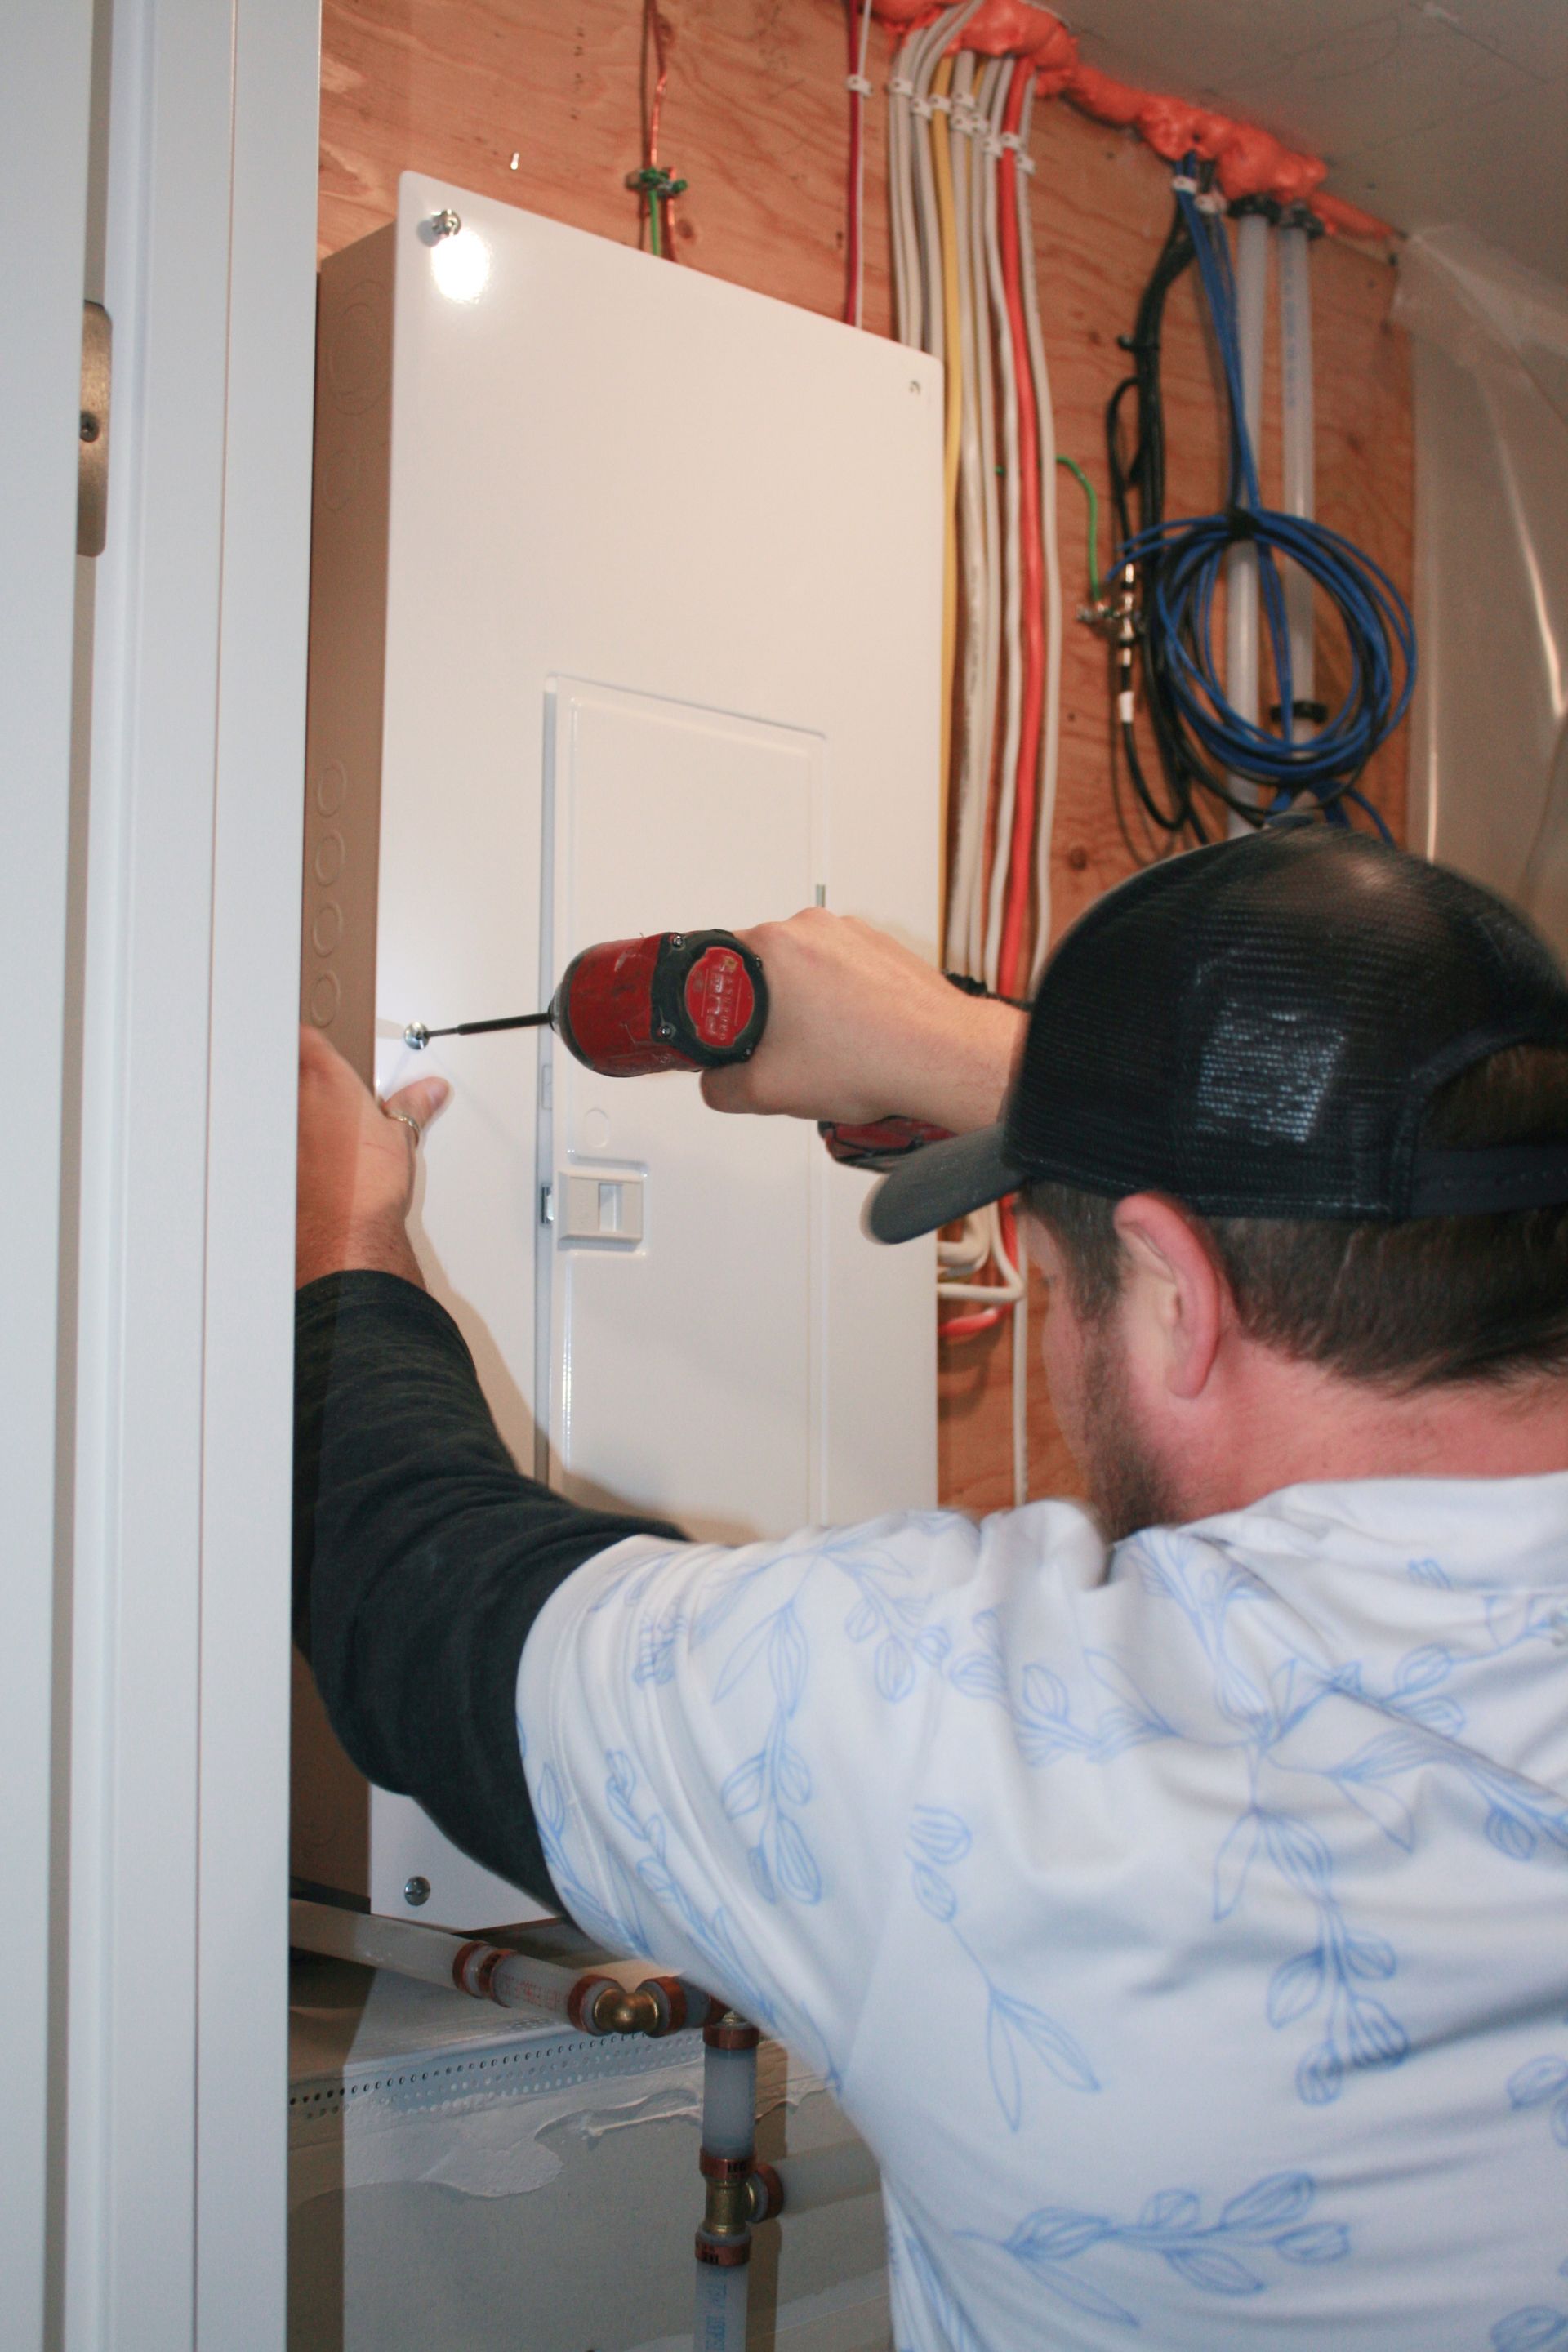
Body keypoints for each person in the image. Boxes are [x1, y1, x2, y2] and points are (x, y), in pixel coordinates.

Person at [295, 825, 1568, 2351]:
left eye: (1053, 1265)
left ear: (1171, 1295)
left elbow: (422, 1598)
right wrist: (1041, 1073)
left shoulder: (976, 1742)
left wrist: (344, 1239)